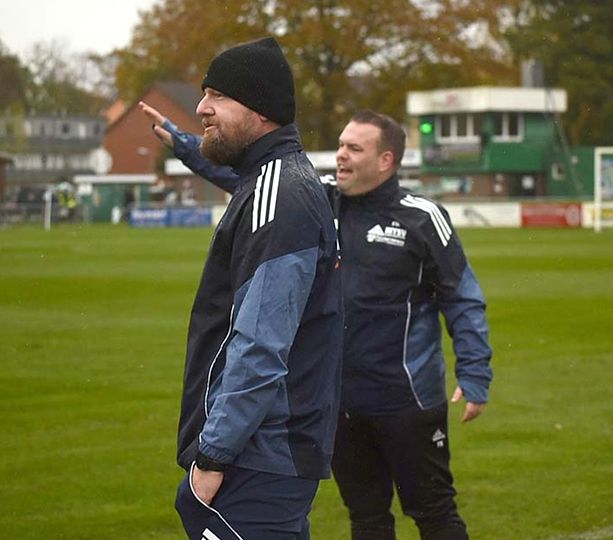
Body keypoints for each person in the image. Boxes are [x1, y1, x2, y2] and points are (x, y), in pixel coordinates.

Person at [144, 103, 493, 539]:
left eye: (354, 148)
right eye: (341, 145)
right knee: (366, 518)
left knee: (434, 513)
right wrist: (185, 146)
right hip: (338, 403)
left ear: (386, 160)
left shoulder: (422, 217)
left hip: (408, 403)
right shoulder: (316, 197)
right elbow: (244, 179)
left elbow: (463, 299)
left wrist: (475, 373)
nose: (341, 155)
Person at [144, 37, 343, 540]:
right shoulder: (271, 180)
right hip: (268, 454)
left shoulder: (280, 195)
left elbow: (260, 345)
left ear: (260, 109)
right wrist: (184, 143)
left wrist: (213, 456)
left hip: (258, 456)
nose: (200, 108)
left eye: (217, 96)